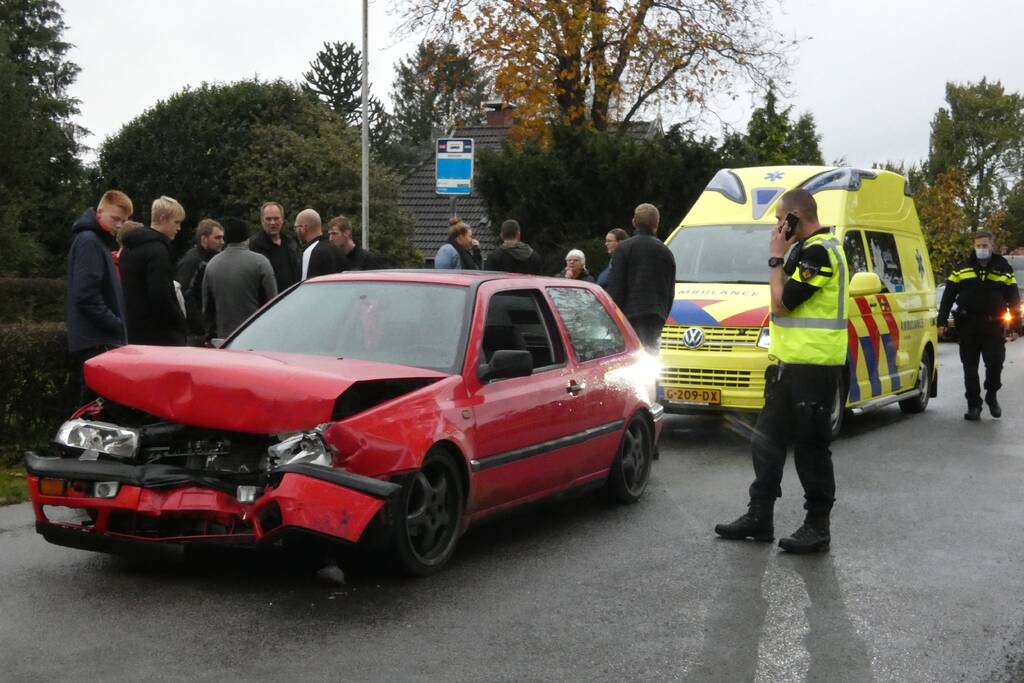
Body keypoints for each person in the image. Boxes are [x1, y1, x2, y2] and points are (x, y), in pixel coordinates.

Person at [714, 189, 848, 554]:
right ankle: (760, 516)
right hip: (788, 365)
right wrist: (783, 256)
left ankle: (817, 526)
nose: (776, 227)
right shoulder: (804, 250)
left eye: (778, 219)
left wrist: (775, 259)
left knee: (810, 449)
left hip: (815, 367)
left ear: (794, 218)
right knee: (765, 440)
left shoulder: (820, 252)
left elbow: (782, 304)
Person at [938, 230, 1020, 420]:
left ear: (992, 246)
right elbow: (948, 296)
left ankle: (991, 394)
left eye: (985, 245)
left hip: (993, 325)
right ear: (974, 246)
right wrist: (941, 321)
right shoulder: (962, 268)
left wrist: (1016, 326)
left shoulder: (1003, 268)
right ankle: (974, 405)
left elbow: (1014, 298)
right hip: (968, 324)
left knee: (995, 363)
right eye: (978, 246)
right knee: (970, 368)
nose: (981, 249)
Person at [66, 190, 133, 402]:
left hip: (97, 338)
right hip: (97, 340)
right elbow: (86, 296)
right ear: (100, 212)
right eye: (115, 219)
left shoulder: (95, 241)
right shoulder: (90, 242)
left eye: (124, 221)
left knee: (95, 407)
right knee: (96, 407)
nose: (119, 225)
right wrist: (115, 324)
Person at [119, 196, 188, 346]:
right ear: (163, 219)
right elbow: (160, 295)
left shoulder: (128, 249)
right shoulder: (158, 250)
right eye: (176, 222)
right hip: (160, 335)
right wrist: (179, 323)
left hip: (133, 331)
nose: (179, 228)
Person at [606, 204, 675, 351]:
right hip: (655, 317)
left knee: (628, 359)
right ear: (657, 224)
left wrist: (612, 320)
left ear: (634, 222)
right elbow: (669, 292)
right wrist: (662, 315)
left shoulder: (624, 248)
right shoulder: (666, 252)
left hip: (627, 318)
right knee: (649, 358)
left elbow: (616, 288)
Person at [203, 216, 278, 340]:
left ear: (225, 238)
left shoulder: (212, 264)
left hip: (224, 337)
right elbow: (272, 301)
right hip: (255, 334)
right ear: (247, 238)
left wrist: (210, 335)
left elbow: (208, 307)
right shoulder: (260, 262)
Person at [176, 218, 225, 345]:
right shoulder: (192, 262)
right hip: (195, 333)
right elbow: (185, 296)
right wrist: (201, 328)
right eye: (217, 238)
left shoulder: (211, 259)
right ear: (204, 239)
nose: (222, 242)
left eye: (222, 237)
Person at [249, 201, 301, 292]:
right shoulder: (253, 245)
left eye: (276, 218)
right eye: (268, 219)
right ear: (262, 221)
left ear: (282, 220)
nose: (272, 223)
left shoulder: (291, 243)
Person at [295, 208, 348, 279]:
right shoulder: (338, 250)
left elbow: (306, 283)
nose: (295, 231)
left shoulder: (310, 252)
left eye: (296, 227)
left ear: (303, 227)